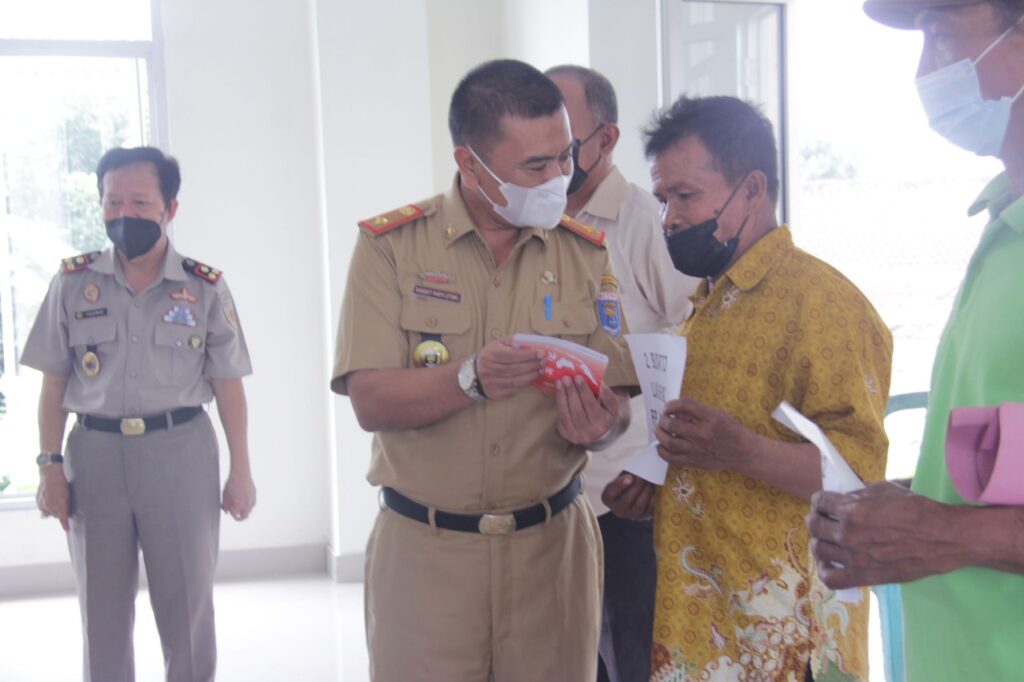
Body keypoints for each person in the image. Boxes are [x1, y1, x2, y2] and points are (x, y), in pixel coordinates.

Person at [330, 59, 639, 681]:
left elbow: (618, 400)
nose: (558, 178)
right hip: (426, 556)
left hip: (552, 554)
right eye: (535, 166)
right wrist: (467, 380)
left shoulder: (584, 254)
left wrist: (604, 426)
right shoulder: (391, 248)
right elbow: (370, 399)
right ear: (470, 164)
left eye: (565, 156)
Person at [601, 96, 892, 681]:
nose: (670, 219)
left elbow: (858, 479)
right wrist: (654, 486)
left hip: (785, 637)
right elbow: (710, 461)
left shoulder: (825, 306)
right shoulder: (707, 306)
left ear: (752, 189)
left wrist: (741, 450)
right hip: (702, 628)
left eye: (685, 196)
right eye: (663, 199)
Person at [807, 2, 1024, 680]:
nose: (927, 70)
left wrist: (948, 533)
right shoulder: (1004, 224)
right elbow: (1005, 457)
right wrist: (916, 501)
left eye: (942, 34)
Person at [25, 146, 256, 682]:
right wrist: (48, 466)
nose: (123, 214)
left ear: (170, 208)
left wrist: (240, 471)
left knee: (187, 611)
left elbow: (229, 386)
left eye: (139, 202)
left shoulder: (203, 287)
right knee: (101, 615)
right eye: (112, 202)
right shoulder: (72, 283)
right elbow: (53, 383)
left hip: (180, 454)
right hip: (95, 457)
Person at [546, 63, 698, 682]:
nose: (550, 160)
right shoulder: (535, 220)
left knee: (635, 656)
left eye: (563, 144)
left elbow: (694, 340)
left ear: (605, 139)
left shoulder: (644, 222)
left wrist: (656, 463)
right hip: (551, 495)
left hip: (625, 497)